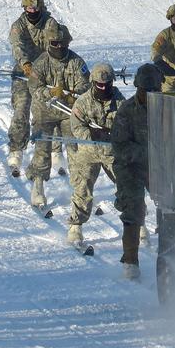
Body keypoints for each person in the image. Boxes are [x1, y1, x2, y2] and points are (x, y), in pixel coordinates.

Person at [25, 23, 90, 209]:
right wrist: (51, 93)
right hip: (44, 111)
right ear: (48, 42)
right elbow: (34, 88)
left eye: (62, 43)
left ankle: (80, 188)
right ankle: (38, 185)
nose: (59, 46)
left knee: (76, 148)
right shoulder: (40, 63)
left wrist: (70, 95)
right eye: (55, 43)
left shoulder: (77, 62)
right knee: (42, 148)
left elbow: (85, 86)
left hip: (68, 112)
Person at [111, 63, 164, 280]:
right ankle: (131, 261)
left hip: (159, 166)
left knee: (173, 204)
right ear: (138, 89)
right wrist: (147, 152)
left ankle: (174, 252)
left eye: (154, 90)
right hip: (129, 166)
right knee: (133, 210)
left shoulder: (167, 108)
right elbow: (119, 145)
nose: (150, 95)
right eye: (146, 91)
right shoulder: (126, 110)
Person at [65, 63, 125, 246]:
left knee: (127, 185)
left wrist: (116, 134)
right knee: (82, 186)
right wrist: (92, 134)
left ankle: (136, 223)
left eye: (107, 84)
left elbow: (128, 126)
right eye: (99, 84)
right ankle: (76, 225)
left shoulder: (121, 102)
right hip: (88, 151)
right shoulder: (82, 102)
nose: (103, 87)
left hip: (111, 152)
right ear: (92, 82)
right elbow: (76, 126)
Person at [7, 0, 61, 177]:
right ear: (24, 8)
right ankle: (16, 149)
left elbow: (56, 43)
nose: (33, 11)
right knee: (21, 109)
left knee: (50, 111)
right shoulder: (18, 26)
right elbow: (17, 46)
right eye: (29, 8)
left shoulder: (50, 23)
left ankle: (55, 149)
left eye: (36, 8)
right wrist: (26, 64)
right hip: (24, 73)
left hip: (46, 74)